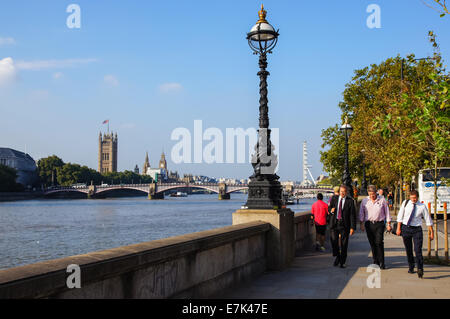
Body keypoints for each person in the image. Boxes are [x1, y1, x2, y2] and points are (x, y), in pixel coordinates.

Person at [396, 190, 434, 278]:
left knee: (418, 250)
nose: (413, 199)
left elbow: (428, 220)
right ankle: (411, 266)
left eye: (415, 198)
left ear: (418, 197)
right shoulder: (405, 203)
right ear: (409, 197)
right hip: (406, 228)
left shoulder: (422, 206)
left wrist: (431, 232)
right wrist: (398, 228)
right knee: (408, 249)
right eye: (412, 198)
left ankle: (420, 269)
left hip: (417, 229)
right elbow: (400, 216)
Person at [359, 185, 392, 269]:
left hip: (379, 223)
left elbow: (387, 212)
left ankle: (382, 262)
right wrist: (361, 223)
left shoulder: (382, 200)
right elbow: (361, 213)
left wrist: (388, 223)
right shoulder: (365, 201)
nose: (372, 196)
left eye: (373, 194)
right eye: (370, 194)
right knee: (372, 243)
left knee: (379, 242)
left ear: (376, 193)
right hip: (369, 224)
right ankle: (375, 260)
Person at [328, 185, 357, 268]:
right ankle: (337, 255)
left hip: (344, 225)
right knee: (334, 241)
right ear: (339, 191)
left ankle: (342, 262)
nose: (342, 193)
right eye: (341, 191)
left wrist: (352, 227)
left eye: (344, 192)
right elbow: (329, 208)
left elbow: (352, 215)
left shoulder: (350, 201)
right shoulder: (334, 198)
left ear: (346, 192)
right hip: (334, 223)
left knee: (344, 244)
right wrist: (331, 211)